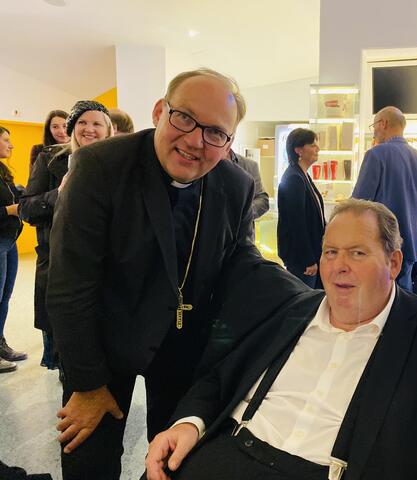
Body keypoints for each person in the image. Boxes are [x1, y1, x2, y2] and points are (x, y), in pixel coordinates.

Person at [145, 198, 417, 480]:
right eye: (331, 252)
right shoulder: (288, 310)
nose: (339, 266)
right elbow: (220, 379)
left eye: (357, 253)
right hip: (229, 453)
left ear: (395, 263)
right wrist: (187, 425)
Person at [45, 68, 290, 480]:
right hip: (101, 340)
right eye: (185, 118)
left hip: (182, 342)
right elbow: (70, 284)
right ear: (160, 110)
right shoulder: (101, 166)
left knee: (174, 464)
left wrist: (312, 301)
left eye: (216, 132)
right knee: (90, 459)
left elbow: (241, 259)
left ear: (229, 142)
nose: (196, 140)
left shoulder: (233, 184)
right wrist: (87, 384)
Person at [20, 100, 113, 373]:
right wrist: (59, 192)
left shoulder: (118, 164)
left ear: (108, 130)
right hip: (62, 271)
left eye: (97, 123)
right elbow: (27, 208)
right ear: (72, 129)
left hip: (108, 273)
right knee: (72, 360)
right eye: (82, 123)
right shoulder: (51, 160)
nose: (89, 129)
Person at [352, 106, 417, 295]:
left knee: (375, 304)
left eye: (374, 126)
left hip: (378, 247)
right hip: (409, 252)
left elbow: (357, 205)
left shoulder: (376, 154)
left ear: (383, 124)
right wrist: (407, 225)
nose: (374, 131)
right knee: (402, 305)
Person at [277, 128, 325, 288]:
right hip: (302, 259)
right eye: (312, 145)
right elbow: (296, 223)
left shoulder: (302, 175)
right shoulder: (293, 179)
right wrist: (308, 259)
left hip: (310, 253)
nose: (317, 148)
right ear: (298, 150)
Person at [0, 126, 26, 374]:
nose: (11, 145)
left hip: (9, 240)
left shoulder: (3, 172)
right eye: (6, 140)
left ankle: (0, 344)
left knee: (4, 298)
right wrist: (9, 210)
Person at [228, 148, 269, 240]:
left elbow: (263, 200)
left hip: (244, 240)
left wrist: (244, 212)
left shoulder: (250, 166)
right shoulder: (204, 164)